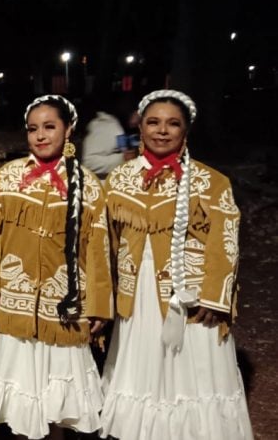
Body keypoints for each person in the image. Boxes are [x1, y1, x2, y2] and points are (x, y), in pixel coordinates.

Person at [99, 89, 253, 440]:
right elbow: (105, 241)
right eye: (153, 122)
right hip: (137, 297)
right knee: (144, 373)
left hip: (192, 297)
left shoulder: (211, 182)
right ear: (141, 127)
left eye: (173, 124)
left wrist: (215, 296)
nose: (162, 131)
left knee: (191, 373)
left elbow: (225, 241)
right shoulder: (120, 180)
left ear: (186, 130)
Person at [0, 95, 113, 439]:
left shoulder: (90, 187)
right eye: (33, 129)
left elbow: (99, 250)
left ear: (69, 130)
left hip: (65, 309)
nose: (40, 135)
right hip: (16, 303)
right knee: (23, 394)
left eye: (49, 127)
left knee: (57, 401)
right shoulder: (6, 178)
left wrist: (99, 304)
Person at [81, 92, 138, 179]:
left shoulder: (120, 127)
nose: (139, 117)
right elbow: (89, 162)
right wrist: (122, 159)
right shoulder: (107, 125)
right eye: (136, 112)